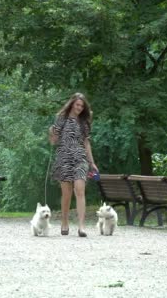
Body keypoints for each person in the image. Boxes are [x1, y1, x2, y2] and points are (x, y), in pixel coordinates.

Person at [49, 93, 98, 237]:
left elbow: (86, 143)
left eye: (82, 106)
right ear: (72, 104)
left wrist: (92, 162)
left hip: (80, 158)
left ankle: (81, 226)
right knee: (66, 193)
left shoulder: (84, 123)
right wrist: (51, 133)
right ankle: (64, 222)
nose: (80, 108)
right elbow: (53, 141)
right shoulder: (61, 119)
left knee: (80, 190)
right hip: (64, 158)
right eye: (77, 105)